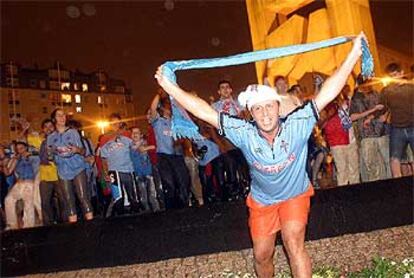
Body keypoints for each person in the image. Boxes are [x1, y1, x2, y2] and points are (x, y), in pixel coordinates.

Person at [155, 32, 365, 278]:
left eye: (268, 106)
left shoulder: (298, 123)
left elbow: (327, 93)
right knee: (262, 255)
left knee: (293, 243)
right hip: (262, 201)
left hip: (295, 195)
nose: (264, 113)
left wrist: (353, 55)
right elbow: (204, 111)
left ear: (278, 107)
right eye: (257, 108)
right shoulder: (243, 132)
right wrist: (170, 87)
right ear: (250, 114)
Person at [47, 108, 93, 223]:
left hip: (77, 167)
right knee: (68, 199)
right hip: (63, 169)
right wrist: (51, 153)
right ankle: (74, 229)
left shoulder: (73, 132)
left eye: (63, 115)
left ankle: (92, 226)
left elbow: (83, 151)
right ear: (54, 119)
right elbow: (50, 157)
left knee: (83, 197)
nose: (62, 117)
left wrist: (76, 149)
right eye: (59, 115)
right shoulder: (51, 137)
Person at [149, 91, 191, 209]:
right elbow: (152, 108)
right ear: (162, 108)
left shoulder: (176, 122)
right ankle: (171, 211)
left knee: (183, 182)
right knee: (169, 184)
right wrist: (159, 93)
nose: (169, 108)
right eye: (167, 106)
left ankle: (184, 208)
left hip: (177, 155)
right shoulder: (158, 121)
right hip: (164, 156)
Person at [350, 76, 390, 182]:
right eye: (367, 82)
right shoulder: (355, 98)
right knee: (372, 167)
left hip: (382, 132)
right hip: (367, 135)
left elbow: (386, 106)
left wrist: (385, 115)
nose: (370, 85)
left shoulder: (376, 93)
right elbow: (352, 117)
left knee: (387, 163)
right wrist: (372, 110)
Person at [99, 113, 140, 216]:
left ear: (121, 123)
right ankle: (120, 220)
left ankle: (137, 217)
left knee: (133, 195)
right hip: (113, 170)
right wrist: (105, 173)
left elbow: (135, 148)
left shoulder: (127, 135)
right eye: (113, 123)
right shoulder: (105, 138)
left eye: (117, 122)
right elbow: (103, 158)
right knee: (118, 197)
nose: (115, 125)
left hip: (128, 169)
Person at [381, 63, 414, 178]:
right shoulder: (386, 91)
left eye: (395, 75)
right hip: (397, 128)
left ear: (402, 73)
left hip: (412, 126)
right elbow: (382, 107)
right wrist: (377, 115)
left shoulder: (411, 87)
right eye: (391, 76)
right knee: (394, 158)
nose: (393, 78)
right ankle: (397, 184)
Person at [4, 141, 40, 229]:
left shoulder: (33, 157)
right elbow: (8, 173)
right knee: (8, 200)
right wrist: (5, 165)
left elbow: (38, 168)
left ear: (26, 148)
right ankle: (12, 224)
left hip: (29, 182)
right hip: (19, 184)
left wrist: (29, 155)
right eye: (18, 149)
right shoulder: (16, 159)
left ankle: (28, 226)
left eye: (22, 148)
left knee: (28, 203)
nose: (20, 151)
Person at [130, 127, 161, 212]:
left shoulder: (146, 143)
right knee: (143, 196)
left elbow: (156, 146)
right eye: (133, 133)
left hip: (148, 173)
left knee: (152, 195)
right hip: (138, 174)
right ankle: (146, 212)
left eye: (137, 132)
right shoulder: (129, 146)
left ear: (141, 135)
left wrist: (146, 148)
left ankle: (157, 211)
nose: (135, 134)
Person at [38, 119, 61, 225]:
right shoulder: (40, 141)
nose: (48, 129)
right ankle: (48, 225)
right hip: (45, 176)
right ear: (43, 129)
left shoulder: (59, 139)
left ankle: (65, 223)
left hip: (59, 174)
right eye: (45, 126)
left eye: (50, 126)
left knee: (63, 200)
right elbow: (24, 139)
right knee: (45, 202)